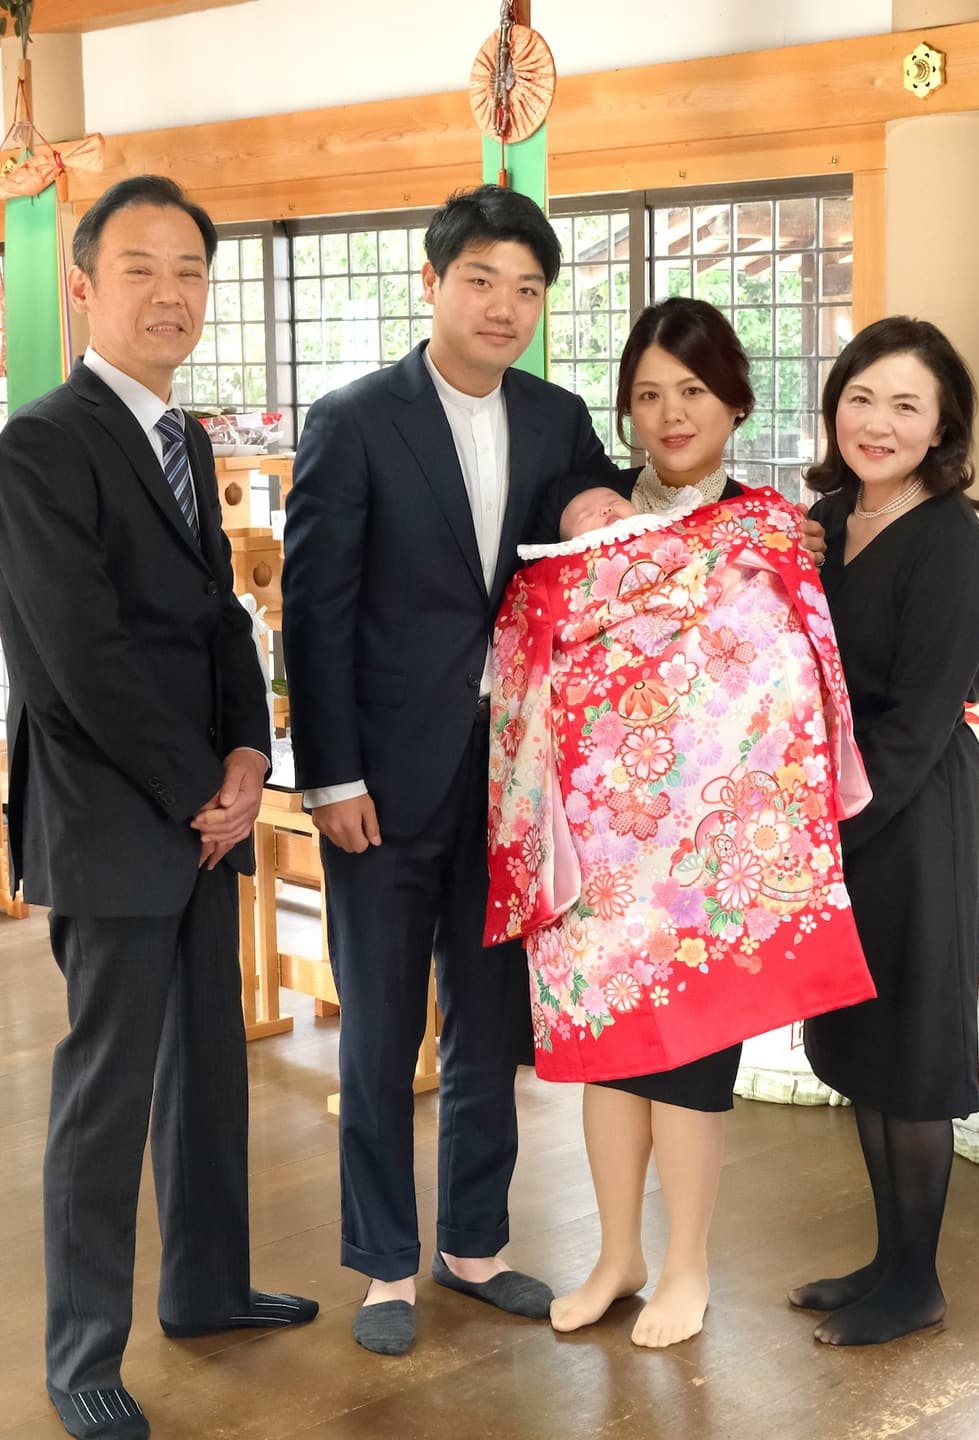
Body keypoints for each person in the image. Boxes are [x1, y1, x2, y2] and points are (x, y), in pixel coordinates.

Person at [0, 175, 317, 1440]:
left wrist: (248, 753)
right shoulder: (44, 444)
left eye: (190, 270)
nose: (170, 293)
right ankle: (82, 1356)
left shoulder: (186, 438)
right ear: (82, 288)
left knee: (207, 1066)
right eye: (141, 268)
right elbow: (80, 657)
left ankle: (208, 1285)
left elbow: (223, 616)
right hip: (114, 812)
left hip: (202, 805)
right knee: (108, 1087)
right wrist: (200, 791)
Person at [280, 185, 622, 1357]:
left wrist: (597, 501)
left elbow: (596, 507)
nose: (504, 306)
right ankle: (384, 1265)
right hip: (382, 777)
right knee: (379, 1030)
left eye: (527, 288)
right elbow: (314, 610)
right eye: (481, 280)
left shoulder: (557, 415)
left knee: (490, 1024)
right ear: (431, 284)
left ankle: (474, 1245)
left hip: (514, 777)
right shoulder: (354, 420)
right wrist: (331, 776)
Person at [504, 297, 862, 1348]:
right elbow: (536, 659)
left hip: (712, 845)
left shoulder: (773, 530)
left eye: (693, 391)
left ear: (735, 403)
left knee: (693, 1063)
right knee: (605, 1052)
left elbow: (793, 685)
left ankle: (688, 1265)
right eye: (649, 395)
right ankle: (617, 1256)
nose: (671, 414)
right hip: (600, 839)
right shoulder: (585, 522)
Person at [794, 316, 979, 1347]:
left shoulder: (956, 549)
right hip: (836, 801)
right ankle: (887, 1259)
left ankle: (917, 1279)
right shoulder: (828, 518)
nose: (878, 423)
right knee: (863, 1042)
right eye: (862, 398)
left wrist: (826, 834)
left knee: (911, 1048)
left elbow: (919, 724)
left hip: (910, 813)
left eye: (906, 405)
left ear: (941, 426)